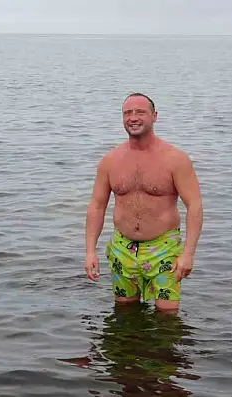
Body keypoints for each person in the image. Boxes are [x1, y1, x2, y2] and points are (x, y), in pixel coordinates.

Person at [84, 92, 203, 311]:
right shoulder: (110, 161)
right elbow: (97, 206)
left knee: (167, 315)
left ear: (154, 116)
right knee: (124, 312)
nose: (133, 118)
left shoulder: (175, 159)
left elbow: (194, 205)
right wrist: (90, 251)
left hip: (164, 249)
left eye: (140, 112)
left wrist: (188, 254)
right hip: (122, 248)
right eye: (127, 113)